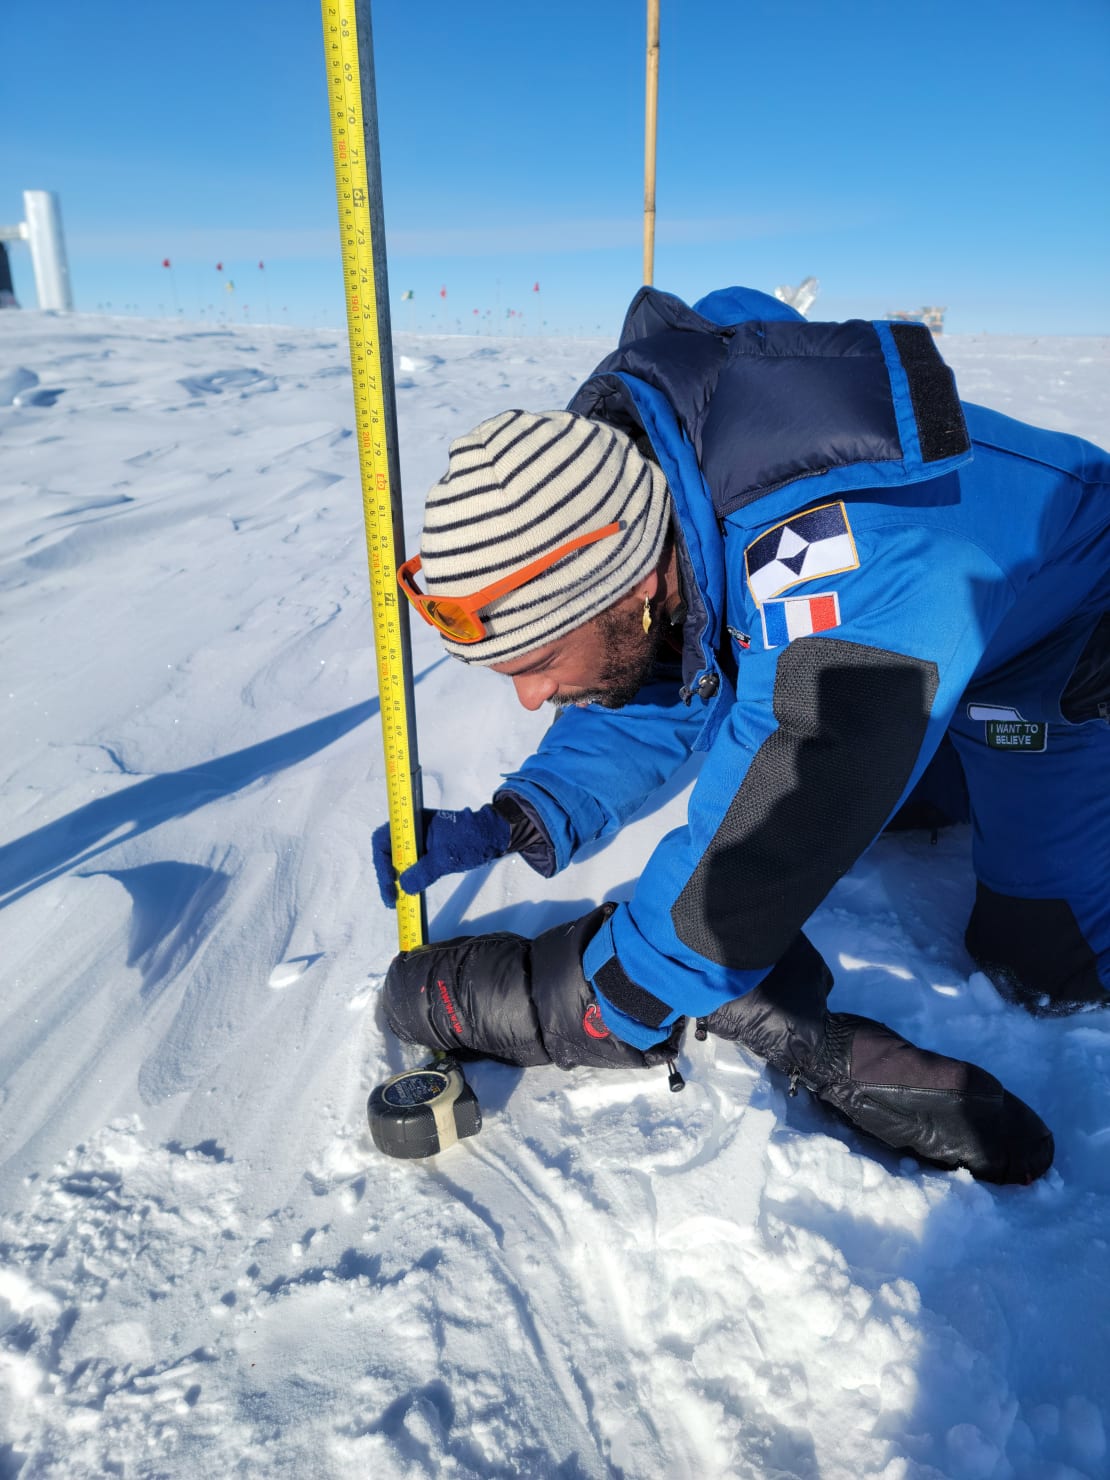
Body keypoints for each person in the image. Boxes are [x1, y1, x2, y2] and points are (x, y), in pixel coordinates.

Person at [374, 284, 1110, 1185]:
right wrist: (531, 807)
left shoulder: (848, 556)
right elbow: (663, 665)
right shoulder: (655, 495)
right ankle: (942, 750)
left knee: (1043, 960)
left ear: (631, 588)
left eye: (537, 660)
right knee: (900, 791)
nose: (530, 699)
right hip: (931, 644)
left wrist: (609, 998)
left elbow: (790, 805)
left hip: (1062, 638)